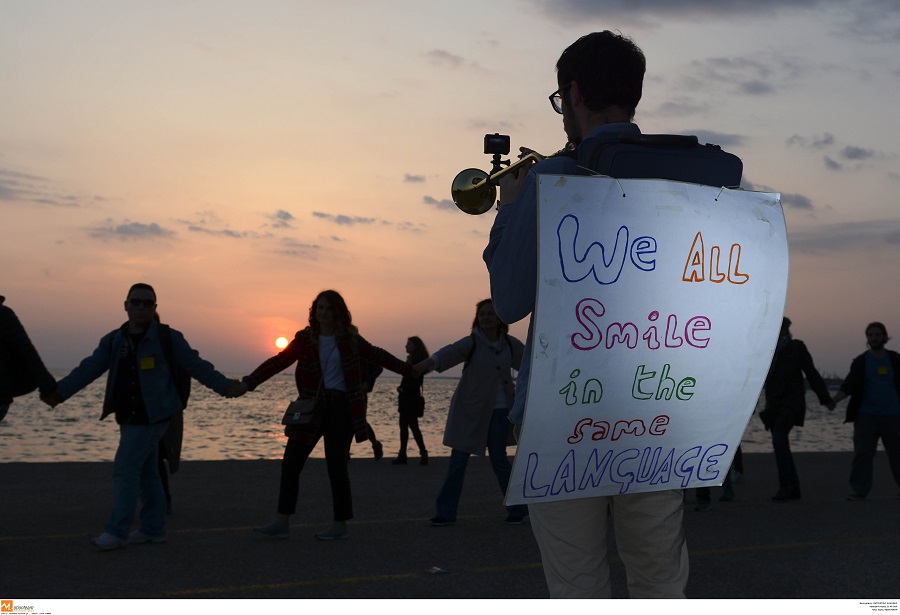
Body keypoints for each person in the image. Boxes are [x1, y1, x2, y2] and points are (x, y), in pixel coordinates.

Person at [483, 31, 695, 598]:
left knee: (578, 588)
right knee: (659, 581)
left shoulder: (553, 177)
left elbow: (508, 301)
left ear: (574, 92)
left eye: (559, 101)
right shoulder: (689, 175)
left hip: (561, 416)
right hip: (656, 413)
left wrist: (509, 209)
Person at [42, 283, 241, 550]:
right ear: (125, 305)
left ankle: (117, 531)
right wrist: (59, 393)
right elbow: (89, 368)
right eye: (136, 302)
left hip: (155, 416)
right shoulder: (114, 340)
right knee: (148, 473)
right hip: (128, 416)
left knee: (125, 470)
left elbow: (196, 364)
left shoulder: (169, 338)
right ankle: (153, 529)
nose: (141, 307)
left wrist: (225, 386)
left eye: (148, 303)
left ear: (155, 308)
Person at [234, 289, 416, 541]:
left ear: (339, 312)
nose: (324, 312)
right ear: (314, 311)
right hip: (311, 408)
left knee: (336, 466)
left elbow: (379, 356)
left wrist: (412, 370)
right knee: (291, 464)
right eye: (320, 308)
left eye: (329, 308)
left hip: (341, 408)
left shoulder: (351, 340)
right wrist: (247, 383)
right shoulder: (305, 339)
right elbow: (278, 362)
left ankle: (340, 524)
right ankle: (281, 520)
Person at [415, 299, 528, 526]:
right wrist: (419, 367)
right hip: (470, 412)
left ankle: (517, 510)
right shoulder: (472, 343)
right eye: (482, 314)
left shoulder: (509, 344)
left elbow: (530, 364)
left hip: (500, 412)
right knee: (458, 462)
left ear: (499, 318)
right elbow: (446, 355)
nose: (486, 317)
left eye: (491, 314)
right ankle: (446, 513)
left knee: (499, 460)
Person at [761, 317, 834, 501]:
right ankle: (792, 487)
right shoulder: (765, 350)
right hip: (773, 404)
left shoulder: (796, 348)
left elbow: (811, 373)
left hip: (791, 402)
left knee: (779, 438)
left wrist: (825, 398)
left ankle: (786, 486)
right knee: (780, 442)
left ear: (785, 329)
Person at [831, 322, 900, 501]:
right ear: (867, 338)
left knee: (897, 453)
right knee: (863, 454)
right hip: (866, 415)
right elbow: (849, 385)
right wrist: (834, 401)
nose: (874, 338)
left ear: (884, 337)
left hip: (892, 415)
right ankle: (859, 489)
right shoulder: (861, 361)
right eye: (870, 335)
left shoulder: (895, 359)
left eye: (877, 335)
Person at [0, 295, 57, 422]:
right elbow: (27, 352)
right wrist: (49, 388)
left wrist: (48, 387)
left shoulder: (3, 315)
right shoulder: (3, 314)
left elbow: (26, 352)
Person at [392, 336, 429, 465]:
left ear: (415, 346)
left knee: (407, 426)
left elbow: (415, 381)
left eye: (408, 344)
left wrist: (403, 388)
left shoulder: (417, 362)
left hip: (410, 398)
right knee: (411, 426)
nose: (406, 346)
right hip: (408, 398)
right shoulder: (413, 360)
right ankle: (419, 453)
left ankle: (405, 454)